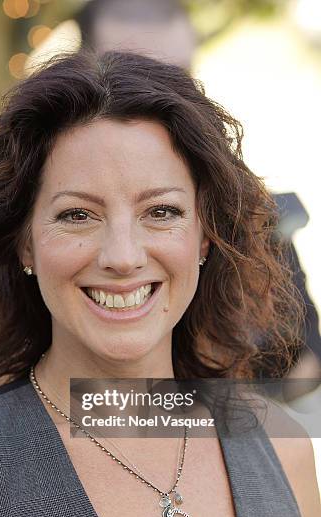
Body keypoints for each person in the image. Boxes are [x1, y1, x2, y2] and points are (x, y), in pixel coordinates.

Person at [0, 50, 320, 517]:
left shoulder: (282, 447)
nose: (123, 257)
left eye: (161, 212)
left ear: (204, 235)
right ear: (26, 242)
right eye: (77, 214)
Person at [76, 0, 321, 394]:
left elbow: (303, 362)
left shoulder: (244, 209)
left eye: (179, 81)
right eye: (127, 80)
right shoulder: (33, 207)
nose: (159, 104)